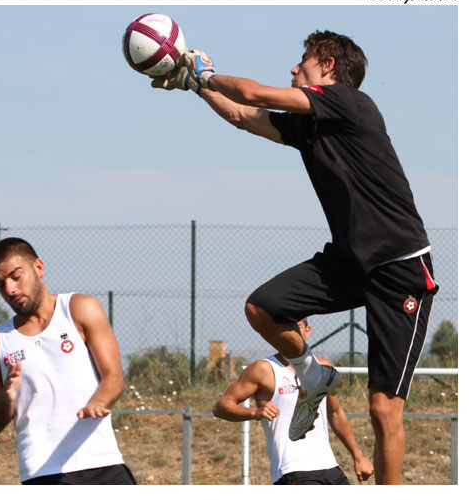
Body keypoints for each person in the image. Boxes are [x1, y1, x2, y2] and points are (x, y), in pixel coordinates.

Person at [152, 30, 438, 484]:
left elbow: (251, 93)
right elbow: (244, 115)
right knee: (261, 308)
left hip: (399, 267)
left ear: (328, 65)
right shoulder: (312, 125)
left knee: (384, 410)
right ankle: (312, 375)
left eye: (302, 60)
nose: (293, 67)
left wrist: (206, 72)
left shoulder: (350, 102)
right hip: (348, 262)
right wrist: (195, 85)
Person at [0, 237, 136, 485]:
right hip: (43, 473)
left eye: (16, 276)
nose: (9, 289)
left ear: (38, 268)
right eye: (0, 284)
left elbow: (113, 376)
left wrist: (98, 402)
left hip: (103, 463)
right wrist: (5, 398)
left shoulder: (80, 309)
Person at [213, 318, 374, 485]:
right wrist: (255, 412)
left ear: (307, 331)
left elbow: (335, 413)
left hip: (330, 468)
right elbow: (221, 407)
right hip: (292, 470)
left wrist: (358, 456)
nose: (291, 332)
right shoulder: (263, 369)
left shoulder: (324, 367)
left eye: (296, 327)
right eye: (285, 327)